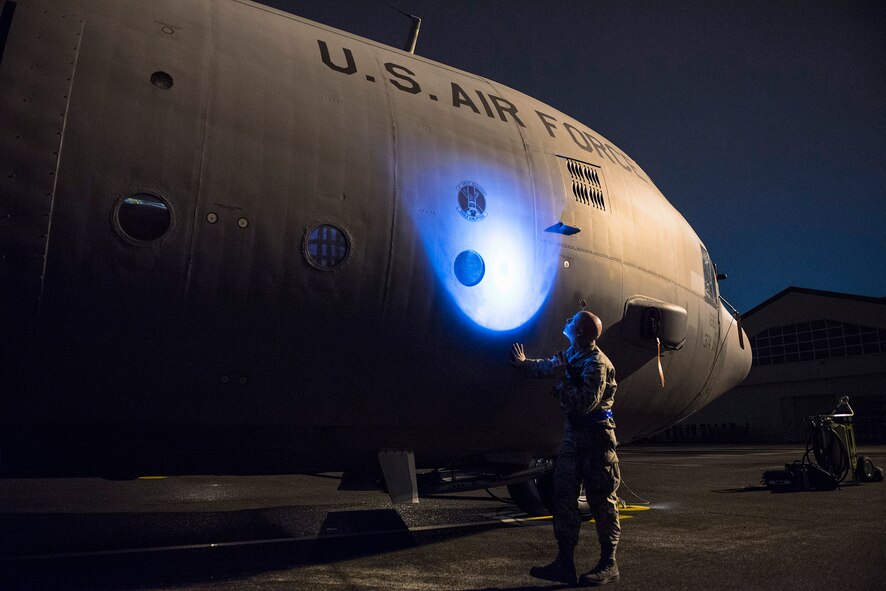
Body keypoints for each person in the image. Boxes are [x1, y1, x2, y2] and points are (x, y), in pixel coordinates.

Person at [511, 310, 621, 586]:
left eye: (572, 320)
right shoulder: (573, 354)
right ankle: (564, 563)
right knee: (563, 498)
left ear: (582, 332)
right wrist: (524, 364)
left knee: (602, 502)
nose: (567, 320)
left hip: (596, 441)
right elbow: (549, 366)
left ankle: (609, 564)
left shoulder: (597, 363)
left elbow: (585, 403)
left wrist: (563, 380)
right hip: (574, 439)